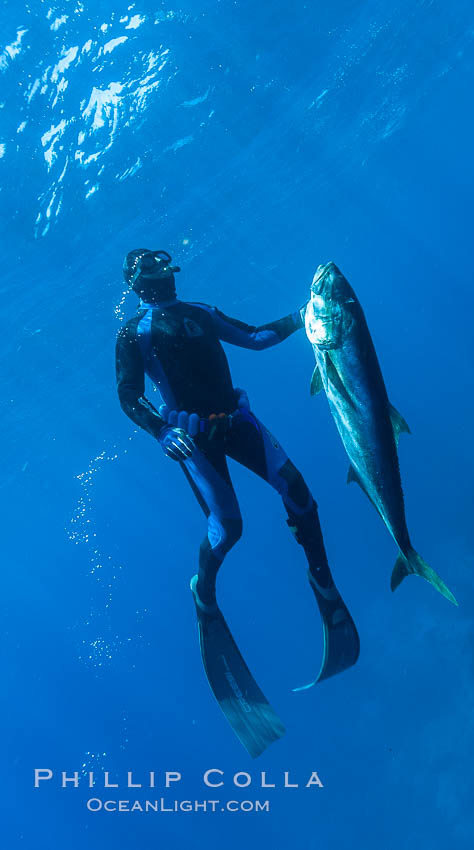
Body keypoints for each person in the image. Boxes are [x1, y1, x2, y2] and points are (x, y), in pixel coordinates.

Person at [115, 248, 359, 756]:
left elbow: (253, 338)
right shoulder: (132, 334)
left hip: (238, 422)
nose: (163, 284)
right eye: (154, 277)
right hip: (194, 438)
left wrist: (304, 316)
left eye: (166, 274)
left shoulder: (201, 312)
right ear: (138, 286)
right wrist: (160, 429)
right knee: (228, 530)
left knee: (301, 499)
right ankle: (202, 592)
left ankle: (322, 582)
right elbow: (129, 395)